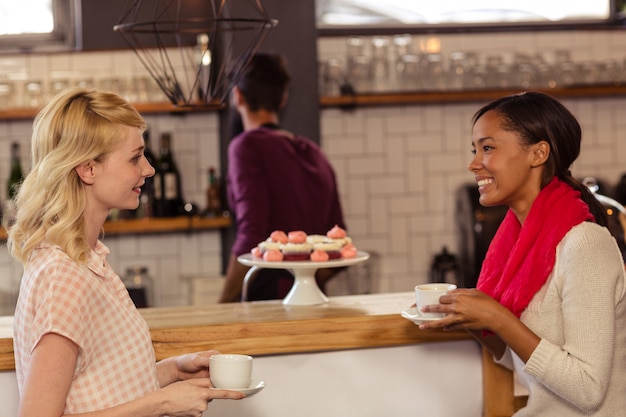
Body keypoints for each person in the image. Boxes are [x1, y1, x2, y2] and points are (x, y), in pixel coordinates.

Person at [7, 87, 244, 417]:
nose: (148, 169)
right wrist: (161, 402)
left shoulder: (86, 260)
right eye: (135, 158)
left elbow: (96, 384)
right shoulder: (64, 277)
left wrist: (172, 370)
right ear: (88, 168)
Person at [419, 92, 626, 416]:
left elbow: (588, 389)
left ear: (538, 153)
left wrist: (498, 317)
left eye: (488, 148)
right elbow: (524, 365)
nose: (474, 163)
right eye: (475, 150)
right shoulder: (520, 241)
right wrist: (470, 319)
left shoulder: (583, 245)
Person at [218, 51, 346, 303]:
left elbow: (251, 235)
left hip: (266, 303)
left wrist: (221, 306)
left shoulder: (245, 147)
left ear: (237, 96)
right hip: (316, 304)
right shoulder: (313, 152)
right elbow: (339, 241)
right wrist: (305, 282)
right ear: (283, 98)